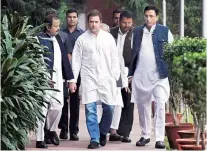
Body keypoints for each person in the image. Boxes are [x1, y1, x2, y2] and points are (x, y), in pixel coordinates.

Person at [69, 9, 120, 149]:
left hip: (107, 78)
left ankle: (103, 131)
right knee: (90, 109)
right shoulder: (82, 39)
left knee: (109, 107)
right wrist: (72, 80)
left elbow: (115, 59)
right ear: (87, 23)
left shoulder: (108, 38)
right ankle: (95, 138)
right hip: (89, 78)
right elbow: (76, 61)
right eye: (91, 22)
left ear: (100, 22)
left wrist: (117, 78)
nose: (93, 25)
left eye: (96, 22)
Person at [129, 5, 174, 149]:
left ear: (157, 17)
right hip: (141, 75)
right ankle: (145, 135)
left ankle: (160, 138)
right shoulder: (137, 32)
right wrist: (131, 74)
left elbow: (171, 53)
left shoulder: (165, 32)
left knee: (160, 104)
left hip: (159, 76)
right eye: (146, 16)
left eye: (151, 16)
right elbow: (133, 53)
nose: (148, 18)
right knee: (143, 106)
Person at [35, 14, 74, 148]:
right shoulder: (38, 39)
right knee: (42, 109)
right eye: (56, 26)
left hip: (58, 80)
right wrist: (44, 78)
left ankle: (50, 131)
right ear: (47, 27)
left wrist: (71, 79)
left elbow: (64, 59)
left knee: (57, 106)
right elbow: (36, 62)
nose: (58, 28)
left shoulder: (58, 38)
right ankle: (40, 139)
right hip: (43, 81)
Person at [58, 8, 84, 141]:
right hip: (62, 72)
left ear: (77, 18)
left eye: (74, 17)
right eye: (69, 17)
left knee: (74, 102)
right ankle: (63, 129)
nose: (72, 19)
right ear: (66, 18)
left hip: (77, 73)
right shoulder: (60, 33)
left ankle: (74, 130)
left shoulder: (82, 34)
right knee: (62, 101)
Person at [110, 10, 134, 143]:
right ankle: (114, 130)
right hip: (114, 71)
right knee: (114, 100)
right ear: (119, 21)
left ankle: (125, 133)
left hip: (128, 71)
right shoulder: (111, 33)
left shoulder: (135, 34)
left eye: (129, 22)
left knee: (128, 100)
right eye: (124, 22)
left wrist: (133, 73)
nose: (127, 25)